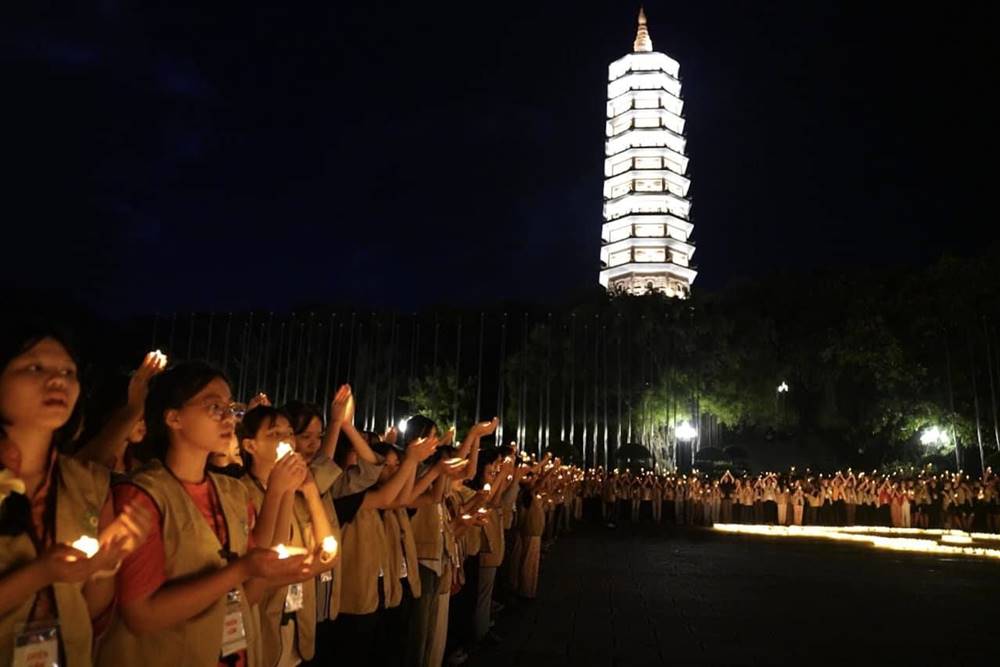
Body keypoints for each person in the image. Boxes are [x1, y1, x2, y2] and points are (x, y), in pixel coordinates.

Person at [99, 361, 311, 667]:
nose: (229, 417)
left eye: (230, 407)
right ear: (173, 418)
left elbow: (251, 585)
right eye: (214, 407)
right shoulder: (142, 495)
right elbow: (141, 616)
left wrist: (282, 490)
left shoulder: (231, 492)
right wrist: (239, 570)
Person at [0, 326, 150, 667]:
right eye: (35, 367)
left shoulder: (88, 483)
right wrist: (39, 573)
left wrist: (103, 563)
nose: (58, 380)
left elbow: (91, 605)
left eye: (69, 372)